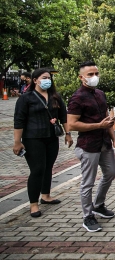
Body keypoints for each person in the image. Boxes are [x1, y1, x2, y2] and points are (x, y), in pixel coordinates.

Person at [67, 61, 115, 232]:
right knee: (87, 182)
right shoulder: (77, 98)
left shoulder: (100, 94)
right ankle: (87, 216)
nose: (94, 77)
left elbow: (106, 118)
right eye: (90, 75)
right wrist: (98, 126)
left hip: (104, 142)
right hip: (88, 145)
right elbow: (72, 124)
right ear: (81, 77)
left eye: (96, 73)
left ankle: (98, 205)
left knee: (110, 173)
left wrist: (114, 138)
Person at [12, 68, 72, 218]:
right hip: (33, 138)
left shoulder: (55, 97)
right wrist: (17, 142)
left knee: (48, 167)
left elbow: (64, 116)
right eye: (44, 77)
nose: (48, 80)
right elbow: (19, 120)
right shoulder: (26, 98)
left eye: (49, 78)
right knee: (37, 169)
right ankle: (33, 204)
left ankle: (46, 195)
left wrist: (68, 134)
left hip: (51, 137)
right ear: (35, 80)